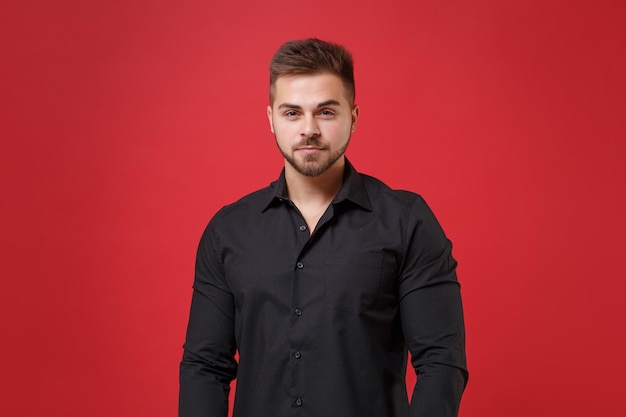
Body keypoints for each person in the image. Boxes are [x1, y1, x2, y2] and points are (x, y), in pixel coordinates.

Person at [179, 38, 468, 417]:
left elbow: (441, 362)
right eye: (292, 113)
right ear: (270, 119)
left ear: (354, 116)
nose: (309, 129)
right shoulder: (228, 231)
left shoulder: (406, 221)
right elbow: (205, 366)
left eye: (326, 112)